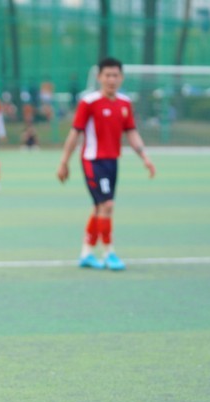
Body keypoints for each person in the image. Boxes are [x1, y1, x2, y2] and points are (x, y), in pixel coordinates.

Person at [57, 57, 156, 271]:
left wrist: (145, 158)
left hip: (112, 161)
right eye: (107, 75)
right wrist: (64, 162)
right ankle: (109, 253)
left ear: (121, 78)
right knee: (107, 206)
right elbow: (75, 133)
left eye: (115, 75)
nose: (112, 79)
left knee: (99, 207)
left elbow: (131, 132)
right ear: (99, 77)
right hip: (93, 161)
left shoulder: (124, 103)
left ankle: (86, 253)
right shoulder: (89, 102)